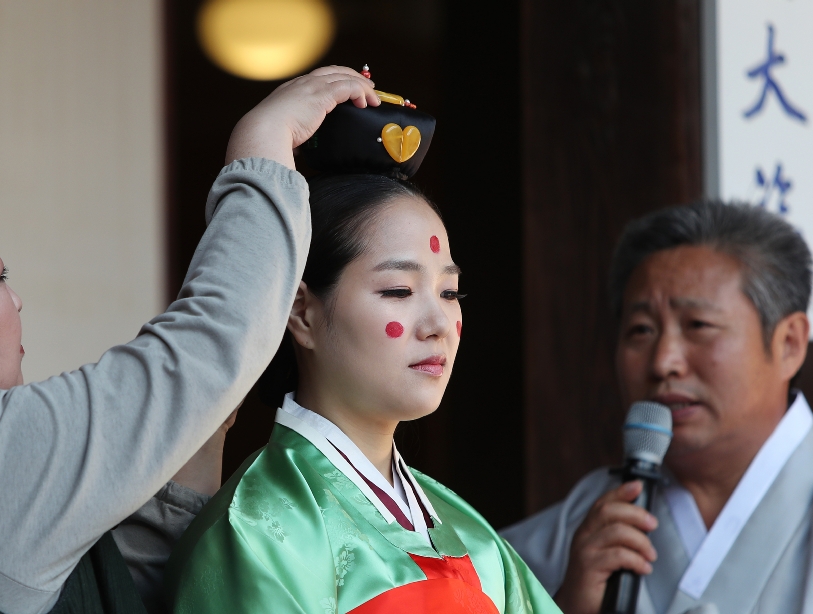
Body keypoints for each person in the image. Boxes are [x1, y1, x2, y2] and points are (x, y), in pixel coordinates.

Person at [0, 66, 381, 614]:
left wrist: (194, 435)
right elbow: (209, 342)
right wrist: (264, 141)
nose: (15, 302)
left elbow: (103, 585)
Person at [164, 90, 561, 613]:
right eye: (398, 291)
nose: (438, 323)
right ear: (302, 313)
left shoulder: (475, 537)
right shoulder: (261, 531)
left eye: (449, 292)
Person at [500, 201, 813, 614]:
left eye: (698, 326)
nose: (663, 361)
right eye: (641, 330)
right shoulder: (569, 534)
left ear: (789, 344)